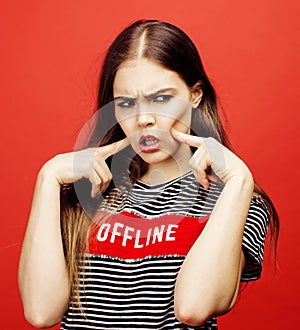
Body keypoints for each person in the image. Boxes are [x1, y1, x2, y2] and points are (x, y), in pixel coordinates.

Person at [18, 19, 279, 329]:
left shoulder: (234, 197)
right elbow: (40, 312)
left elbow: (194, 308)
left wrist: (240, 181)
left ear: (195, 95)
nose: (143, 119)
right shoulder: (84, 191)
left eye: (161, 99)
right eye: (126, 104)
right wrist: (47, 179)